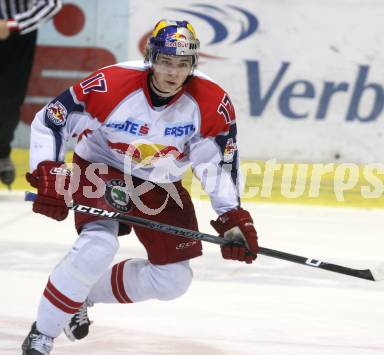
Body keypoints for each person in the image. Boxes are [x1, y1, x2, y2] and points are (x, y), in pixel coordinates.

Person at [21, 19, 259, 354]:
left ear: (192, 65)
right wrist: (48, 171)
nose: (173, 73)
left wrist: (231, 215)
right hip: (102, 165)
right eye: (165, 62)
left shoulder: (211, 103)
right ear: (151, 58)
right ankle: (42, 335)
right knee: (98, 245)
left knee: (174, 281)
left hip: (160, 183)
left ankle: (81, 296)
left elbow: (216, 164)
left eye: (182, 64)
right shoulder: (111, 84)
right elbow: (51, 120)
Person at [0, 0, 62, 189]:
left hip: (15, 38)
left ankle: (2, 153)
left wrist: (13, 24)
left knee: (8, 101)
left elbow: (51, 4)